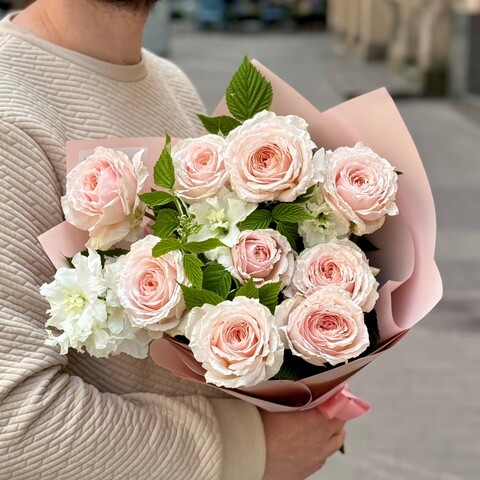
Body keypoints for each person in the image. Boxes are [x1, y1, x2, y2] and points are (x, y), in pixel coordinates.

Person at [0, 1, 346, 478]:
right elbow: (13, 427)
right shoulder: (10, 117)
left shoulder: (170, 84)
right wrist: (247, 447)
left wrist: (300, 359)